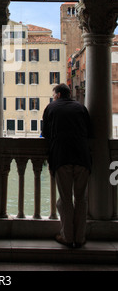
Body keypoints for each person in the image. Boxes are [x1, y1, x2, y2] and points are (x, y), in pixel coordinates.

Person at [42, 83, 92, 248]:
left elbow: (46, 134)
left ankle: (67, 236)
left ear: (57, 95)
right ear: (69, 94)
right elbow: (90, 132)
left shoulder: (51, 108)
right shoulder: (81, 108)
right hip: (82, 157)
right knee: (81, 199)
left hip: (61, 157)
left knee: (65, 199)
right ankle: (80, 238)